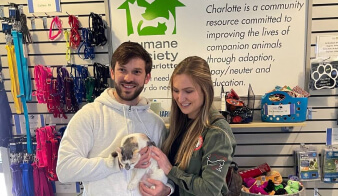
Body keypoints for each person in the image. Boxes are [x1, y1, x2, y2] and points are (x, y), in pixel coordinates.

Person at [56, 41, 172, 195]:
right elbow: (65, 170)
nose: (128, 78)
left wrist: (168, 190)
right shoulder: (89, 115)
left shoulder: (156, 123)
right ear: (112, 73)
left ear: (147, 77)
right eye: (122, 70)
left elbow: (168, 171)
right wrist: (116, 163)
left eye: (136, 72)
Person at [140, 56, 236, 196]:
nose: (180, 98)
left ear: (206, 90)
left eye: (188, 91)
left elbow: (210, 190)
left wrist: (171, 170)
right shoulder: (180, 124)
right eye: (176, 90)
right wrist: (167, 190)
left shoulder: (217, 132)